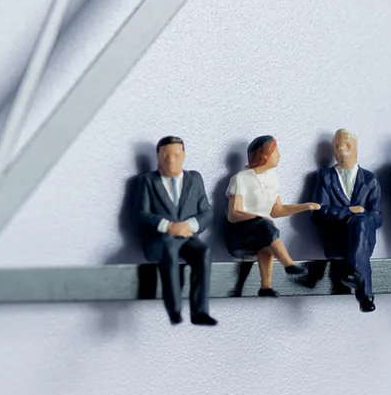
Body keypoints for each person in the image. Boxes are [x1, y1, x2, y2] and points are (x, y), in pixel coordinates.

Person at [134, 136, 216, 326]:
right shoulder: (147, 181)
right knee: (169, 250)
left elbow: (206, 211)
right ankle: (174, 310)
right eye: (165, 155)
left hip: (187, 237)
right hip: (161, 239)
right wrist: (168, 226)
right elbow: (140, 214)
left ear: (183, 155)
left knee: (203, 252)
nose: (171, 160)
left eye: (176, 155)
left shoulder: (194, 178)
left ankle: (199, 312)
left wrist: (190, 225)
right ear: (158, 157)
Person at [225, 135, 319, 297]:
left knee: (266, 237)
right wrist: (259, 219)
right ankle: (288, 263)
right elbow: (233, 214)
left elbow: (277, 210)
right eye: (276, 151)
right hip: (240, 233)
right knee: (265, 226)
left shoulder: (273, 178)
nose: (279, 155)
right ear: (265, 154)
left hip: (262, 231)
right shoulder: (240, 179)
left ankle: (265, 287)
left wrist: (304, 206)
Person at [310, 128, 382, 312]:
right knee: (358, 220)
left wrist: (359, 218)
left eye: (347, 145)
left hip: (363, 239)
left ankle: (354, 272)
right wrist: (348, 212)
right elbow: (318, 212)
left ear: (356, 148)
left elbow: (378, 216)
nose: (342, 149)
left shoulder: (370, 179)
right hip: (338, 241)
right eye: (337, 145)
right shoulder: (325, 177)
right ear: (333, 151)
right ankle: (364, 293)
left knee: (362, 221)